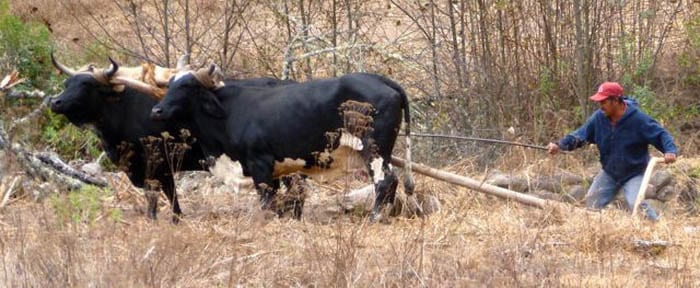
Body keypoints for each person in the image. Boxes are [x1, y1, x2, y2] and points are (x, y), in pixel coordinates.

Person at [547, 82, 678, 221]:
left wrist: (670, 150)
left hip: (634, 173)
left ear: (616, 100)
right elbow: (580, 135)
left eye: (603, 101)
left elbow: (661, 134)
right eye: (599, 101)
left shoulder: (638, 119)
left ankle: (657, 228)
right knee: (592, 203)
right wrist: (560, 145)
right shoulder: (598, 118)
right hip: (609, 173)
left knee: (636, 204)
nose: (600, 105)